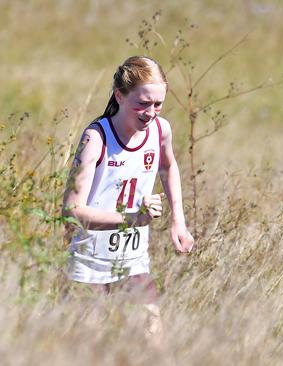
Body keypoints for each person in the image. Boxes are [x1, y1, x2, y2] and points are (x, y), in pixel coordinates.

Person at [62, 56, 194, 335]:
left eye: (158, 104)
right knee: (86, 348)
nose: (151, 112)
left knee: (153, 339)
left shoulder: (161, 130)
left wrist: (177, 221)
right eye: (142, 103)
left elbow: (168, 166)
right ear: (120, 96)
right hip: (89, 263)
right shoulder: (96, 138)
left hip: (133, 261)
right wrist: (131, 218)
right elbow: (72, 211)